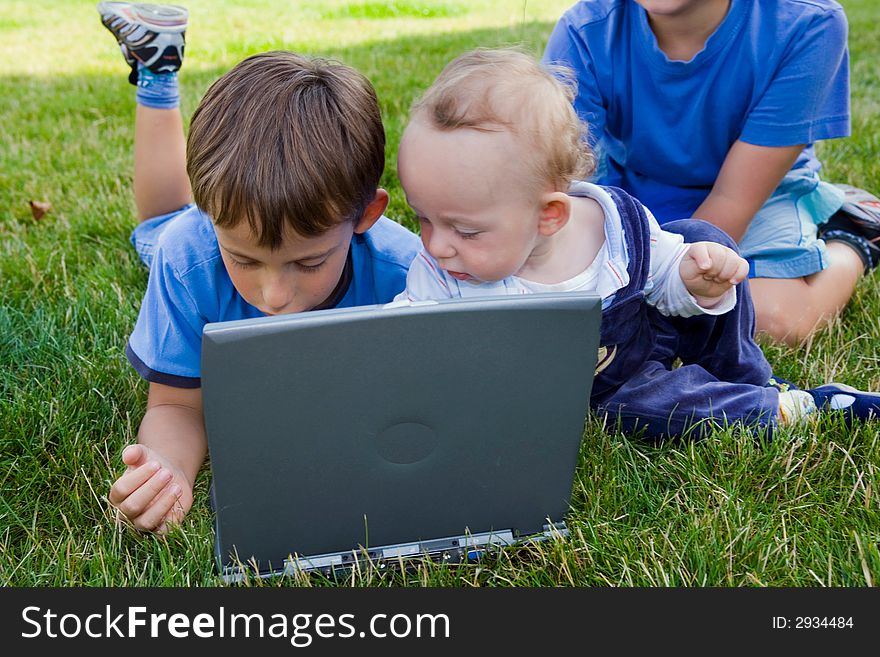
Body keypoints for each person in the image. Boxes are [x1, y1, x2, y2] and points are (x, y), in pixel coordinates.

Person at [395, 47, 880, 442]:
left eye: (466, 231)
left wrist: (692, 280)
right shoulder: (441, 276)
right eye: (423, 219)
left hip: (644, 336)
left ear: (549, 215)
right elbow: (399, 340)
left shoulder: (616, 223)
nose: (437, 246)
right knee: (645, 407)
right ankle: (780, 408)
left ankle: (748, 376)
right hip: (612, 387)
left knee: (702, 243)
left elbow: (663, 274)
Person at [97, 2, 421, 532]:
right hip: (180, 235)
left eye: (309, 261)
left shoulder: (406, 272)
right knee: (158, 225)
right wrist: (170, 468)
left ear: (366, 215)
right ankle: (157, 70)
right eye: (244, 260)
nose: (272, 295)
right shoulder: (190, 257)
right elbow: (177, 405)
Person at [542, 0, 880, 346]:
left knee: (771, 319)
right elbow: (551, 178)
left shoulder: (808, 23)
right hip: (637, 187)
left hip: (760, 194)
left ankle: (852, 238)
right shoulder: (585, 29)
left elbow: (732, 200)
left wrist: (665, 282)